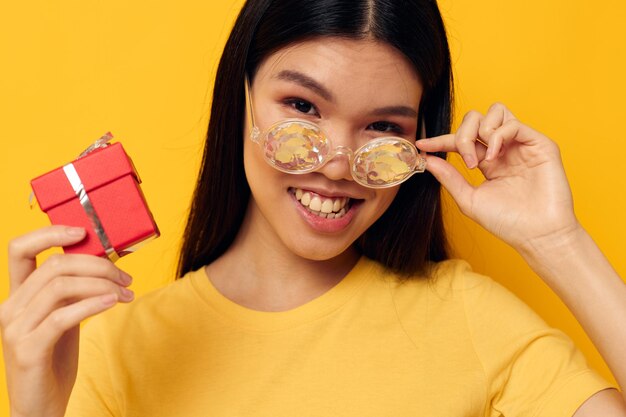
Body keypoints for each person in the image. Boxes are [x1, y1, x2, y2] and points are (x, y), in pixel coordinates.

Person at [2, 0, 626, 415]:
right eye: (302, 108)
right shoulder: (111, 348)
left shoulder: (468, 318)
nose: (335, 164)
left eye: (382, 125)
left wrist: (558, 243)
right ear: (242, 96)